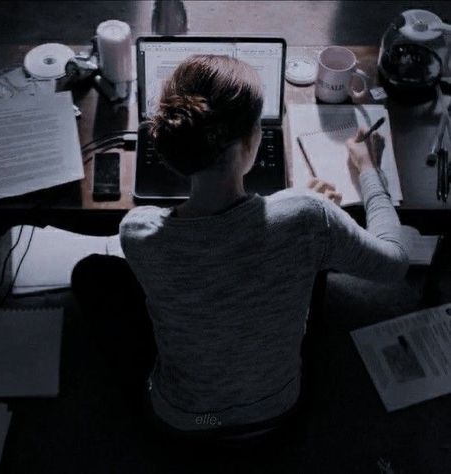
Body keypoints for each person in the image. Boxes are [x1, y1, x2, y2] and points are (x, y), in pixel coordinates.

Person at [72, 54, 408, 445]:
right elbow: (396, 262)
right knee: (314, 273)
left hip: (183, 422)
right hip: (277, 412)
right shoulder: (308, 218)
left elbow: (217, 238)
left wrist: (295, 206)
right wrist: (368, 172)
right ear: (253, 140)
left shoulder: (138, 232)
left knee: (91, 272)